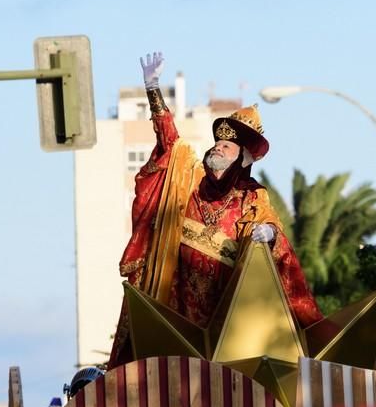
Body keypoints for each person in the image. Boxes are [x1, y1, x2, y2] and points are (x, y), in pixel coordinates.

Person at [108, 52, 323, 368]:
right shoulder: (189, 177)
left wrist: (268, 234)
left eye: (226, 146)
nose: (217, 148)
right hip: (177, 299)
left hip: (223, 310)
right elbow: (169, 141)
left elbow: (268, 228)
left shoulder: (251, 197)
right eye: (216, 143)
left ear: (241, 159)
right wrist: (153, 87)